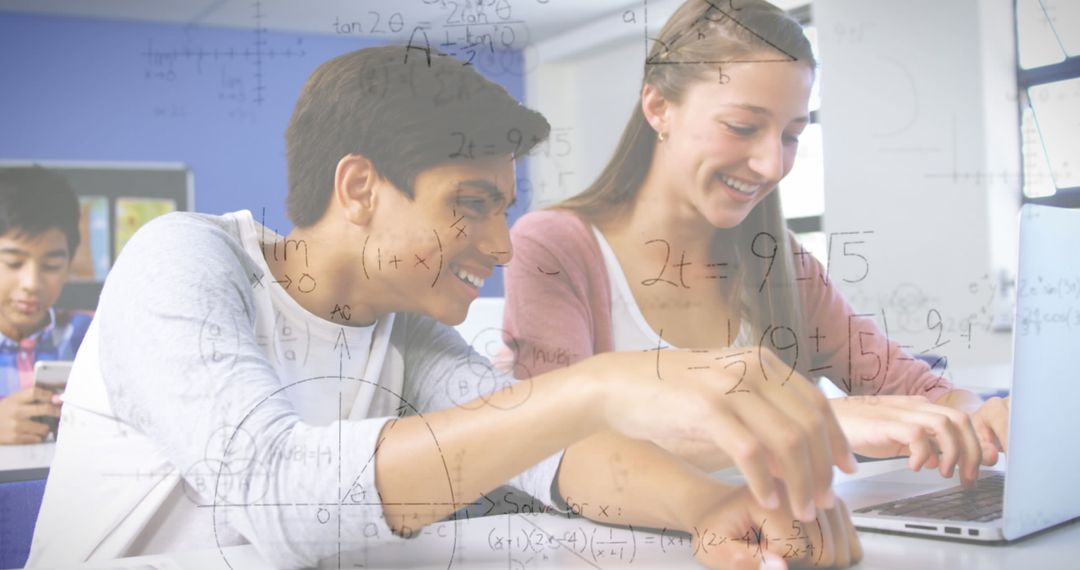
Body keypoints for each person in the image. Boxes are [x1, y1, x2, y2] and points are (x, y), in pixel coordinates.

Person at [30, 45, 858, 570]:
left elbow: (543, 450)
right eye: (469, 203)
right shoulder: (181, 257)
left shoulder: (403, 327)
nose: (501, 244)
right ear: (360, 187)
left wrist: (708, 507)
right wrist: (601, 383)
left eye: (504, 208)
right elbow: (273, 493)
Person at [504, 0, 1010, 491]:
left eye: (791, 136)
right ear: (659, 107)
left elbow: (912, 387)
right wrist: (815, 421)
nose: (772, 165)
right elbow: (561, 449)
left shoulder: (779, 261)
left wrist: (973, 414)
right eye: (742, 127)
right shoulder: (555, 246)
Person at [0, 167, 91, 445]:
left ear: (69, 263)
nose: (32, 284)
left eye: (51, 265)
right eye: (13, 263)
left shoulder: (93, 335)